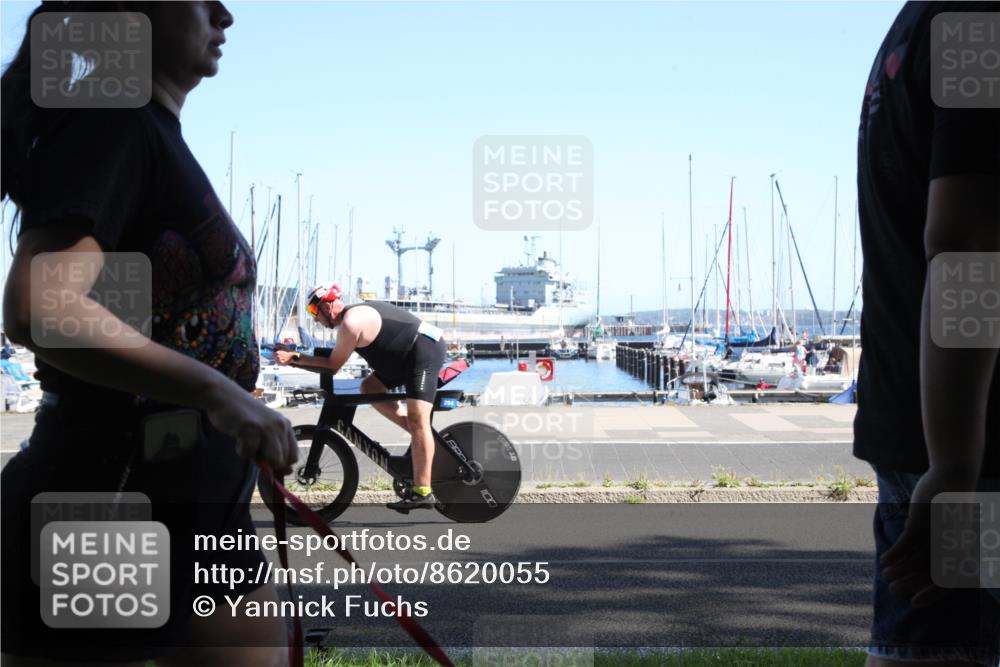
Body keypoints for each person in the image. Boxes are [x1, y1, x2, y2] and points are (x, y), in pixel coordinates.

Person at [1, 3, 298, 665]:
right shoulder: (113, 127)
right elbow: (37, 306)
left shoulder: (153, 133)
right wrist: (221, 392)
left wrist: (231, 400)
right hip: (107, 495)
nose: (225, 13)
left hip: (203, 496)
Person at [854, 2, 999, 666]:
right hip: (969, 447)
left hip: (928, 427)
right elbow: (965, 241)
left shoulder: (919, 24)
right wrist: (954, 466)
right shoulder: (976, 23)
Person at [274, 284, 448, 512]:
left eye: (314, 313)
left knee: (418, 419)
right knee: (369, 387)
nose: (316, 320)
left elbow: (333, 365)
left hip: (423, 351)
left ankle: (423, 491)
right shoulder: (353, 317)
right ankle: (421, 440)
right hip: (404, 357)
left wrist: (294, 357)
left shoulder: (351, 323)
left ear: (327, 306)